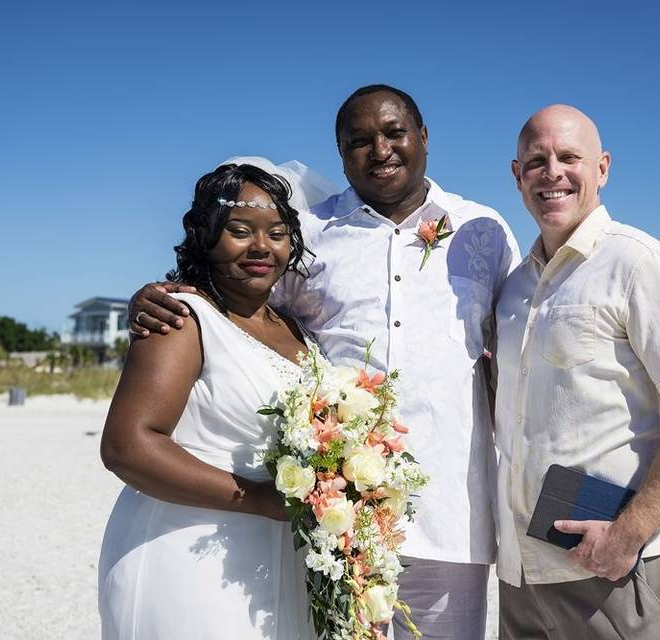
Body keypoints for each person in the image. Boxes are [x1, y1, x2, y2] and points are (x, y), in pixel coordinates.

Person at [128, 84, 520, 640]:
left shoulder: (484, 231)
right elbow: (238, 306)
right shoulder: (311, 235)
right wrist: (160, 295)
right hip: (338, 521)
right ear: (341, 154)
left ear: (424, 137)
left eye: (393, 133)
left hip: (453, 516)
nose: (379, 150)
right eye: (358, 141)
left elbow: (519, 338)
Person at [493, 104, 660, 640]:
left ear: (602, 168)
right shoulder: (511, 290)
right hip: (523, 577)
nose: (552, 172)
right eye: (536, 160)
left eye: (569, 157)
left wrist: (627, 537)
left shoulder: (640, 264)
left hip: (622, 570)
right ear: (516, 175)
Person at [98, 162, 322, 640]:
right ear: (203, 233)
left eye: (278, 233)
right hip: (187, 556)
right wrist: (259, 498)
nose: (261, 247)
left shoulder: (295, 329)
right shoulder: (180, 317)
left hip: (276, 561)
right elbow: (127, 446)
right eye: (240, 231)